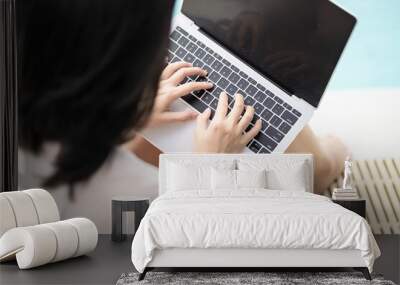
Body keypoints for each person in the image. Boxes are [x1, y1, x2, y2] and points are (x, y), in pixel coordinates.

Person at [17, 0, 348, 233]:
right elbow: (188, 232)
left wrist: (125, 117)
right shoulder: (120, 196)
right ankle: (334, 157)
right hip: (180, 213)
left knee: (181, 125)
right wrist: (209, 165)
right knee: (315, 167)